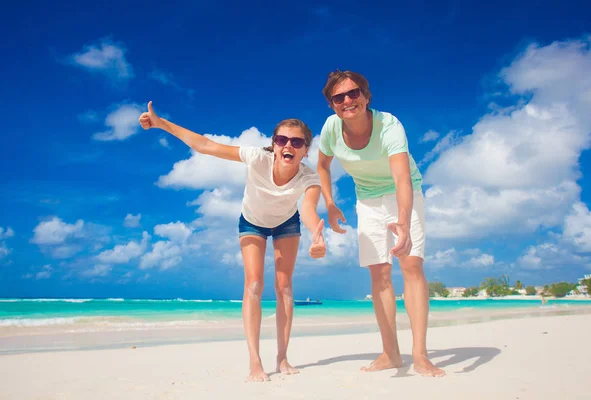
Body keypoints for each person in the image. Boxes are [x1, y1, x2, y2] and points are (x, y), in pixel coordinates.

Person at [139, 102, 326, 382]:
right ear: (274, 144)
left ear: (305, 150)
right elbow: (205, 145)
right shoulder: (256, 158)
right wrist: (161, 123)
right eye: (282, 139)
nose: (288, 145)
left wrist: (317, 234)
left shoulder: (309, 176)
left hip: (287, 223)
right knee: (253, 284)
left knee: (284, 286)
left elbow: (309, 209)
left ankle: (283, 357)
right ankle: (255, 361)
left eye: (296, 142)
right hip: (252, 221)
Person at [316, 71, 445, 377]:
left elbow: (401, 176)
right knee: (380, 273)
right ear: (332, 104)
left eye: (354, 93)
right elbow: (321, 166)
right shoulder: (331, 128)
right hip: (368, 200)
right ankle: (390, 353)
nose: (348, 100)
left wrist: (402, 220)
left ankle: (420, 354)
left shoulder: (389, 125)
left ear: (366, 95)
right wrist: (330, 204)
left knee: (411, 265)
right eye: (339, 97)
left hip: (405, 193)